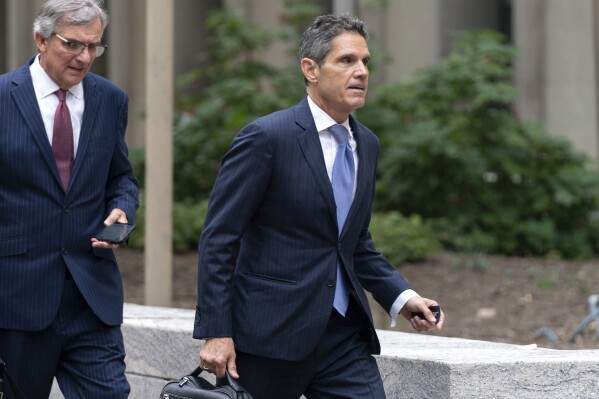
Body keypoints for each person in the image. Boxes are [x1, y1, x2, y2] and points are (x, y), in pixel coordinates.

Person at [194, 14, 445, 399]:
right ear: (310, 69)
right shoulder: (267, 138)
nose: (361, 71)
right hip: (269, 337)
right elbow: (219, 239)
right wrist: (216, 330)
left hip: (343, 337)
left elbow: (354, 243)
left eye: (365, 62)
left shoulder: (368, 145)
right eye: (346, 61)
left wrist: (402, 297)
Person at [0, 0, 139, 398]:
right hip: (16, 300)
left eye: (94, 47)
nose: (84, 57)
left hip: (90, 296)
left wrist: (122, 209)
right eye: (73, 44)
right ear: (40, 39)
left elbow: (122, 178)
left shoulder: (110, 100)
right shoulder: (3, 98)